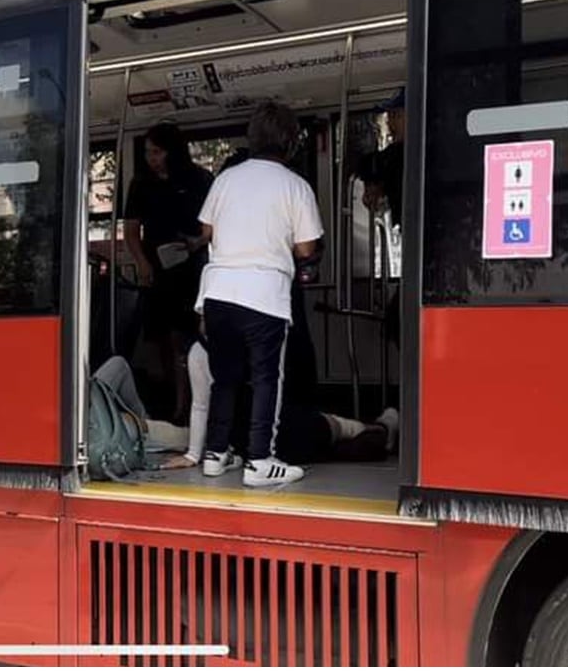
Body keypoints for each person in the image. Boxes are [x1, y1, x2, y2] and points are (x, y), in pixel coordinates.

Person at [196, 101, 325, 487]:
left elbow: (206, 232)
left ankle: (215, 455)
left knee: (226, 378)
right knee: (268, 378)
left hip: (218, 293)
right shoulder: (295, 185)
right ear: (290, 142)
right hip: (263, 296)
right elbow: (306, 248)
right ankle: (259, 460)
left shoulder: (226, 179)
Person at [160, 339, 399, 470]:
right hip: (257, 440)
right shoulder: (201, 352)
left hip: (284, 427)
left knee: (341, 435)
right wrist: (193, 455)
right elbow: (201, 408)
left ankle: (385, 426)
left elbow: (203, 407)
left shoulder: (249, 340)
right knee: (340, 444)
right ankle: (383, 426)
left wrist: (195, 454)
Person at [122, 122, 213, 422]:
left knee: (186, 337)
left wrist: (196, 242)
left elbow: (213, 226)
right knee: (160, 339)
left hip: (191, 266)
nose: (152, 158)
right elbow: (132, 230)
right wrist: (141, 262)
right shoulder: (141, 184)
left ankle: (187, 406)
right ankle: (168, 399)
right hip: (156, 267)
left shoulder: (199, 179)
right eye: (148, 152)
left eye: (157, 152)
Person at [359, 88, 405, 348]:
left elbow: (373, 162)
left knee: (399, 321)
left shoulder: (404, 154)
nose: (390, 123)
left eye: (396, 115)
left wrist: (371, 182)